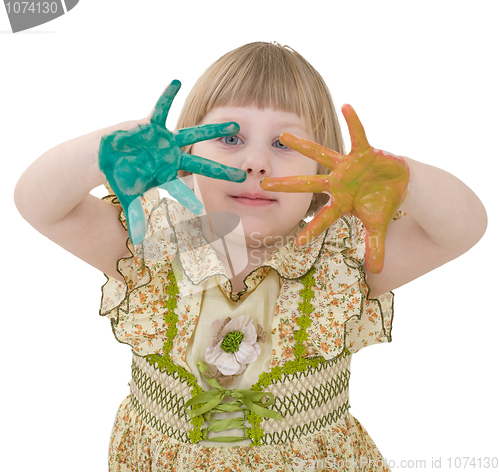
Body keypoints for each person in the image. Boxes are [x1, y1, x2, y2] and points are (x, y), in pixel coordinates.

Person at [14, 42, 487, 471]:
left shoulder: (345, 261)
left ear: (326, 167)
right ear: (185, 149)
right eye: (231, 138)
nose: (255, 163)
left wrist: (405, 179)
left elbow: (461, 230)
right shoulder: (147, 245)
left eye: (284, 144)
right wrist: (107, 149)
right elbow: (41, 206)